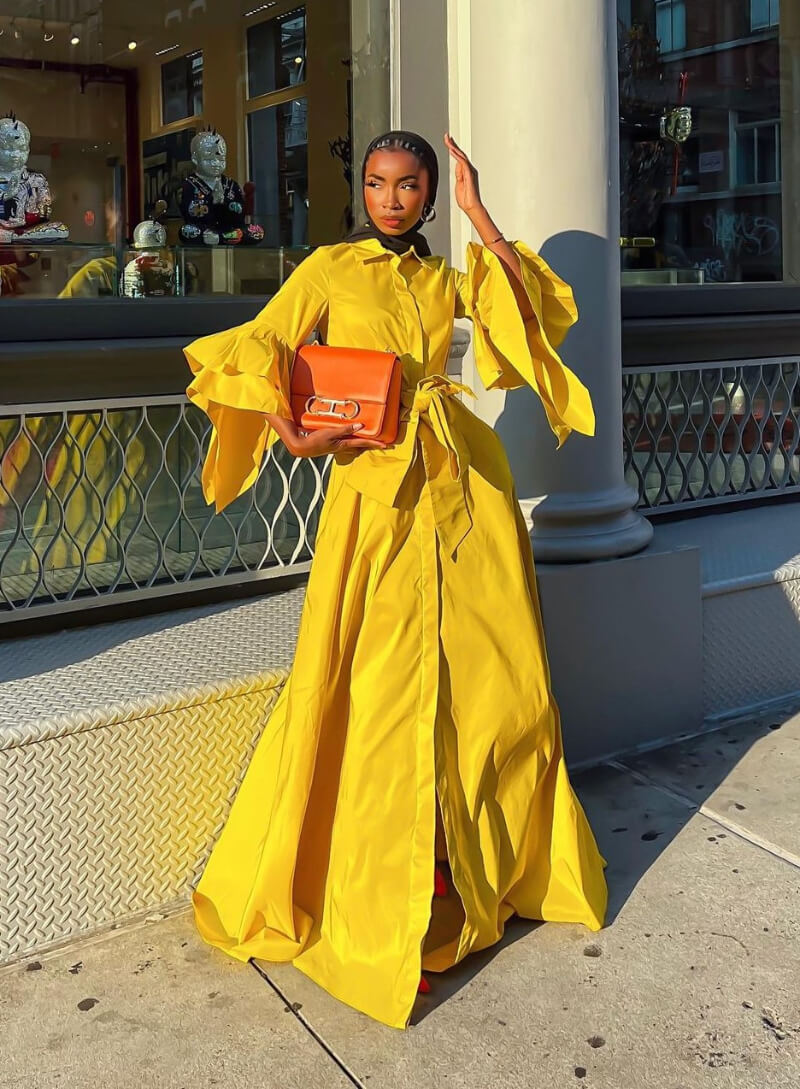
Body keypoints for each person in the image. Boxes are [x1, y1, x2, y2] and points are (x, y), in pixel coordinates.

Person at [184, 129, 608, 1030]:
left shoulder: (445, 276)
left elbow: (524, 314)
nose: (390, 199)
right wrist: (294, 433)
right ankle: (379, 904)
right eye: (377, 183)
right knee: (375, 691)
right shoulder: (329, 269)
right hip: (376, 494)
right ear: (362, 190)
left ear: (427, 195)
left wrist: (478, 210)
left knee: (488, 683)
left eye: (409, 185)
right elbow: (260, 345)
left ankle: (468, 868)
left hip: (465, 485)